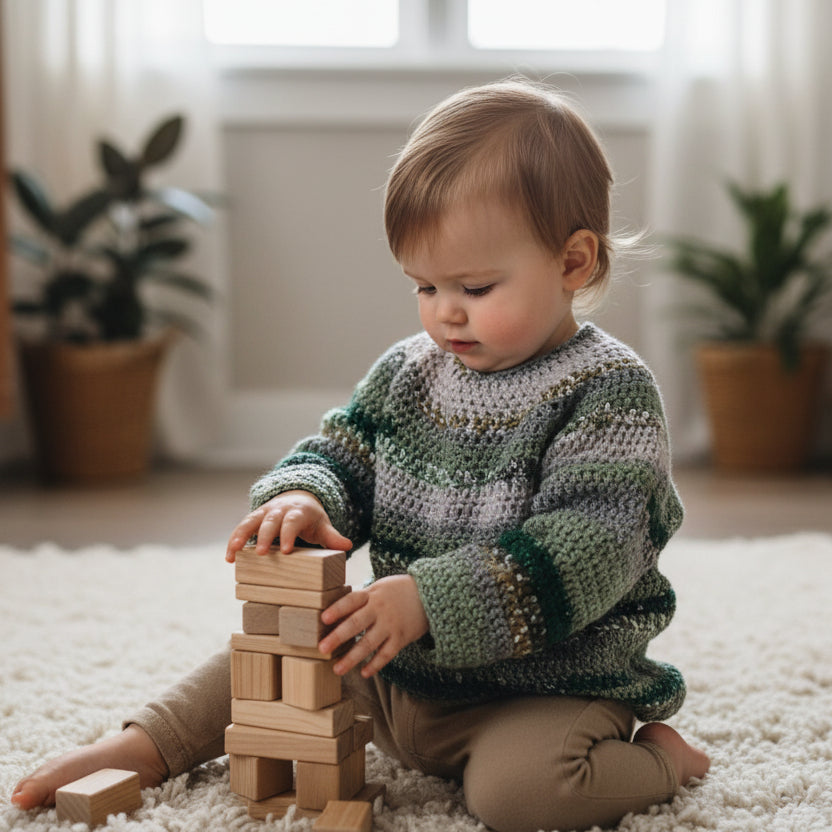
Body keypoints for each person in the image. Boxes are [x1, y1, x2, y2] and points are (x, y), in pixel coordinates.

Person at [11, 78, 709, 832]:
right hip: (396, 673)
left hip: (542, 689)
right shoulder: (410, 372)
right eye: (424, 284)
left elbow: (586, 551)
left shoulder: (608, 394)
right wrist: (306, 494)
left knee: (521, 798)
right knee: (272, 656)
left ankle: (665, 758)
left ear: (573, 263)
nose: (444, 310)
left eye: (474, 286)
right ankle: (145, 744)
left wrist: (428, 600)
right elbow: (344, 450)